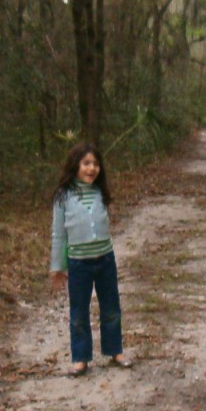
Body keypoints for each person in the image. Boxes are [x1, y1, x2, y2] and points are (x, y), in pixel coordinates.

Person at [50, 143, 132, 377]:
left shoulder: (99, 192)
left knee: (111, 308)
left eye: (95, 164)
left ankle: (115, 350)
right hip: (79, 263)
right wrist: (57, 267)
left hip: (105, 260)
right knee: (78, 312)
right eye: (86, 163)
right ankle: (80, 358)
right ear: (75, 165)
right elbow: (58, 233)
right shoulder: (63, 196)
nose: (92, 168)